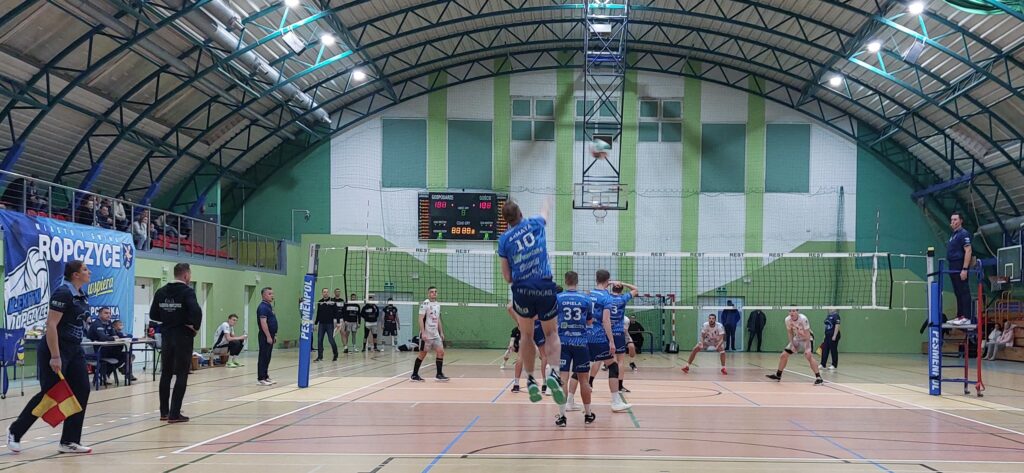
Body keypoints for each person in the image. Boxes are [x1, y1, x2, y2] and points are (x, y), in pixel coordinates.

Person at [7, 260, 94, 454]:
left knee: (82, 389)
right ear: (75, 275)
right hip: (55, 349)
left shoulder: (82, 295)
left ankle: (69, 441)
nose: (89, 272)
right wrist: (55, 356)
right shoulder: (63, 293)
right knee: (50, 393)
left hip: (75, 350)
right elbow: (51, 325)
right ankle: (15, 431)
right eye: (85, 269)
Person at [496, 198, 565, 405]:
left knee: (526, 335)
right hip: (544, 285)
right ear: (521, 213)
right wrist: (547, 202)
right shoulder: (535, 223)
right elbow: (545, 213)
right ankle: (554, 373)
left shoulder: (504, 240)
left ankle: (531, 379)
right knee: (551, 333)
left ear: (506, 220)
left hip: (522, 289)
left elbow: (507, 277)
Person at [151, 263, 202, 422]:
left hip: (167, 336)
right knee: (181, 374)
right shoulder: (187, 292)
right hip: (183, 336)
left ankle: (164, 412)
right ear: (186, 275)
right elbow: (196, 312)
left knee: (166, 373)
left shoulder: (161, 291)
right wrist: (194, 326)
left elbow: (153, 314)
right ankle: (174, 413)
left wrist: (168, 319)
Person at [584, 270, 630, 412]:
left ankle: (570, 401)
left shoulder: (587, 294)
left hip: (585, 336)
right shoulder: (607, 297)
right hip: (599, 336)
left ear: (596, 278)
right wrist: (611, 341)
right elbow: (605, 320)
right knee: (613, 366)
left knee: (580, 368)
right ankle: (616, 402)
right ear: (608, 280)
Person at [556, 271, 596, 426]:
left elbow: (552, 318)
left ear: (565, 281)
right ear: (577, 281)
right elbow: (590, 321)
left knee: (563, 379)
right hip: (580, 342)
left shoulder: (558, 298)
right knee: (584, 380)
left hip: (563, 342)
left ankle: (562, 417)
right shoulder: (586, 299)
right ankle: (588, 415)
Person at [766, 308, 823, 385]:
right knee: (783, 355)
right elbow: (790, 332)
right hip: (797, 338)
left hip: (807, 338)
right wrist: (792, 344)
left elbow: (807, 333)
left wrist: (807, 348)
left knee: (808, 356)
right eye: (790, 311)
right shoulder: (787, 320)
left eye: (793, 311)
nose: (791, 313)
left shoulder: (803, 318)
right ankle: (778, 375)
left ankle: (819, 378)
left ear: (797, 312)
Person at [86, 307, 136, 383]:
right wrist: (113, 338)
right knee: (121, 353)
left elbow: (116, 334)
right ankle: (105, 374)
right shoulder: (96, 324)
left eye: (109, 313)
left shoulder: (108, 323)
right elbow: (103, 338)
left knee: (128, 355)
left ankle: (109, 373)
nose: (108, 315)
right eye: (106, 313)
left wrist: (127, 336)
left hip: (107, 350)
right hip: (98, 351)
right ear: (100, 314)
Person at [607, 281, 638, 393]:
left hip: (607, 332)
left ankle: (610, 386)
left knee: (611, 361)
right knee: (620, 361)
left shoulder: (606, 297)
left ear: (612, 288)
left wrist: (610, 282)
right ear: (621, 290)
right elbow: (635, 289)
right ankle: (619, 386)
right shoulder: (623, 298)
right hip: (619, 333)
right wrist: (622, 283)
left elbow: (601, 288)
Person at [411, 287, 448, 382]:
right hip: (427, 335)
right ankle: (414, 375)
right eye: (432, 292)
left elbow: (438, 319)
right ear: (428, 294)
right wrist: (423, 333)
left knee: (441, 352)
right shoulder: (425, 304)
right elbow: (420, 319)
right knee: (422, 354)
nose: (434, 293)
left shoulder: (437, 305)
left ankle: (439, 374)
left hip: (435, 334)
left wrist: (441, 332)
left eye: (435, 292)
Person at [947, 211, 974, 323]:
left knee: (963, 290)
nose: (953, 222)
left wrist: (964, 269)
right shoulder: (953, 235)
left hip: (959, 264)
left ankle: (967, 317)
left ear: (961, 221)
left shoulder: (964, 233)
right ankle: (960, 315)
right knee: (957, 291)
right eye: (952, 220)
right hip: (952, 264)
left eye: (955, 219)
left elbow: (968, 250)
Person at [256, 287, 278, 386]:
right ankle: (261, 378)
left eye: (272, 293)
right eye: (269, 294)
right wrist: (268, 336)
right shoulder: (262, 307)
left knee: (268, 356)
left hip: (271, 335)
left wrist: (274, 335)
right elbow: (263, 323)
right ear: (263, 295)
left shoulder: (269, 306)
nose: (272, 296)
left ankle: (265, 376)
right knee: (263, 356)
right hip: (264, 336)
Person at [314, 288, 338, 361]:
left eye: (327, 292)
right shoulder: (320, 302)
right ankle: (320, 356)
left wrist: (337, 322)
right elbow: (318, 313)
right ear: (322, 293)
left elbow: (336, 312)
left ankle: (335, 354)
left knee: (331, 340)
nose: (326, 293)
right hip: (321, 324)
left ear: (329, 293)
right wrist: (316, 323)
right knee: (319, 340)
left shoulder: (332, 301)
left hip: (329, 324)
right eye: (324, 292)